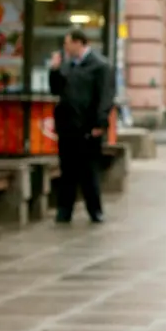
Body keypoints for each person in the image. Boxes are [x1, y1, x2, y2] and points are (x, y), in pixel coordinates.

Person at [48, 28, 115, 224]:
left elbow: (105, 96)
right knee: (67, 169)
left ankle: (95, 210)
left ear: (79, 43)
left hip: (87, 126)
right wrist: (54, 70)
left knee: (88, 170)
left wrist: (100, 122)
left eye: (67, 43)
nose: (65, 47)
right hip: (67, 125)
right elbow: (56, 90)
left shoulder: (99, 65)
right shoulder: (68, 65)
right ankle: (64, 210)